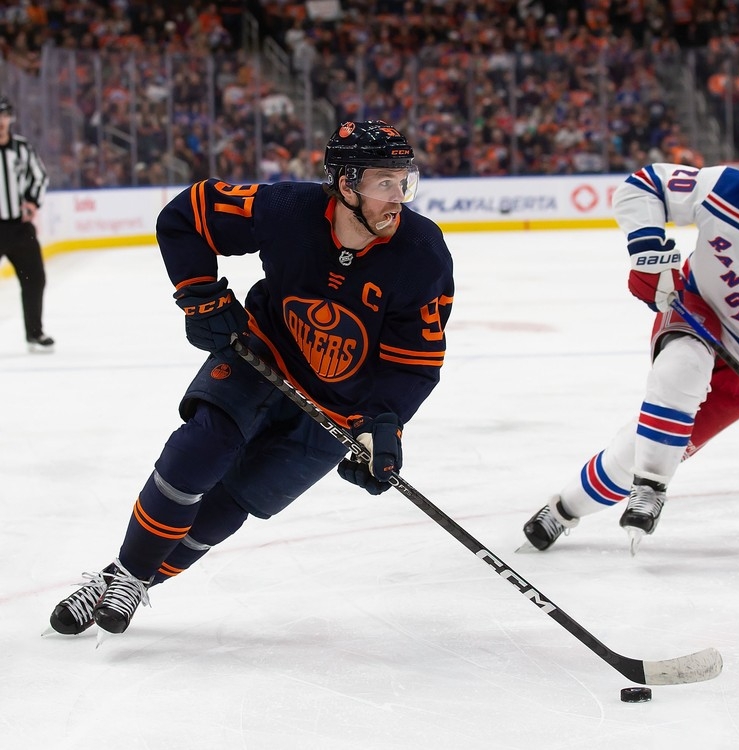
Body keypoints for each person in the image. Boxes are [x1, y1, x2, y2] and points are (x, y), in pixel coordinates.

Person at [48, 120, 455, 636]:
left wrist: (381, 425)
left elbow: (414, 362)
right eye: (383, 183)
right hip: (262, 357)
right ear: (345, 184)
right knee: (199, 449)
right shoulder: (287, 210)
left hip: (335, 408)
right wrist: (201, 296)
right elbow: (188, 213)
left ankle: (120, 578)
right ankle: (131, 574)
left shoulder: (422, 253)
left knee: (230, 505)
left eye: (405, 182)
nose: (397, 198)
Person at [522, 121, 739, 554]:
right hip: (696, 310)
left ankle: (563, 509)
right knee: (684, 365)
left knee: (637, 449)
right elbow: (645, 185)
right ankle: (653, 488)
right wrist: (648, 253)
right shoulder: (724, 189)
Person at [0, 95, 52, 352]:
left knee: (35, 279)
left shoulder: (22, 147)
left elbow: (40, 177)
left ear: (10, 118)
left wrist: (32, 202)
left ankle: (35, 333)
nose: (0, 120)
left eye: (3, 114)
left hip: (20, 229)